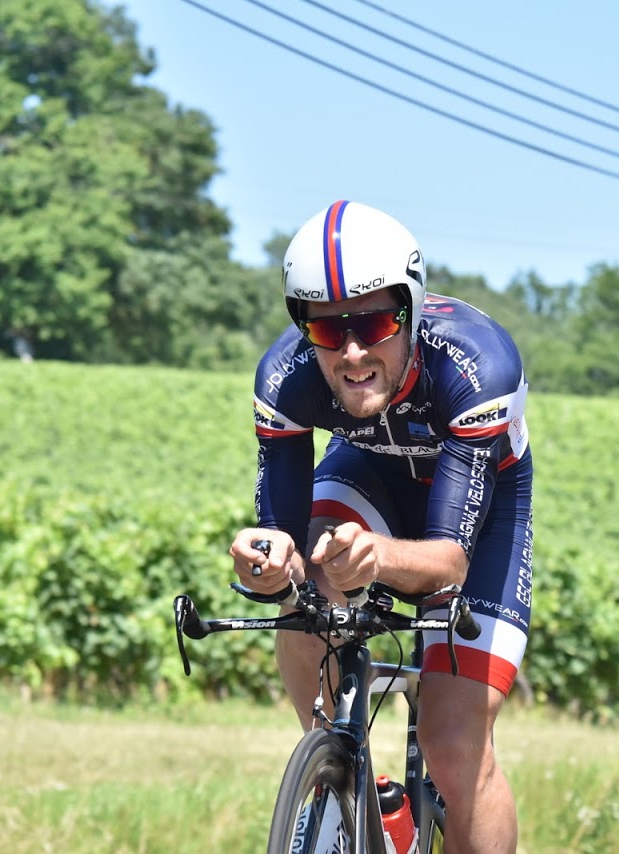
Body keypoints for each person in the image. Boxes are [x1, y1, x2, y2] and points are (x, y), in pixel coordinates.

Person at [229, 200, 533, 852]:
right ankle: (340, 775)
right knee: (309, 577)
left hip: (479, 519)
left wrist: (376, 558)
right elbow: (279, 531)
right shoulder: (285, 378)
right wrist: (267, 557)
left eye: (376, 321)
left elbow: (449, 563)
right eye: (328, 331)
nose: (354, 351)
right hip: (367, 479)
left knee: (455, 754)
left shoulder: (476, 368)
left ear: (413, 308)